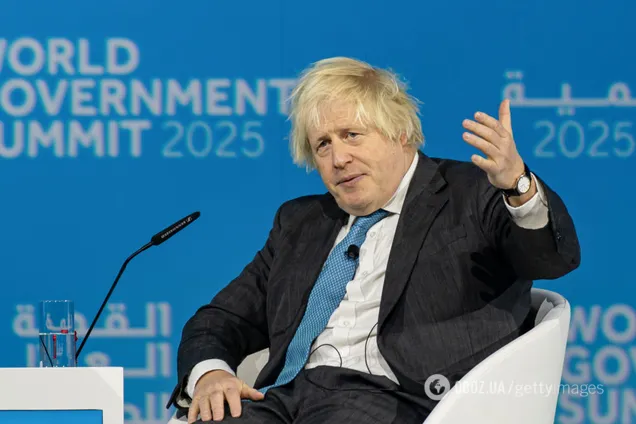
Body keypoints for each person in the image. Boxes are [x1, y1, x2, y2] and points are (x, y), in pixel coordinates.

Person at [166, 57, 580, 423]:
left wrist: (519, 187)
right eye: (323, 145)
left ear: (399, 133)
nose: (338, 158)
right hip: (285, 399)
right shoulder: (299, 223)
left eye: (351, 135)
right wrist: (211, 373)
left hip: (399, 400)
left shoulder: (472, 193)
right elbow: (221, 318)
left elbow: (549, 259)